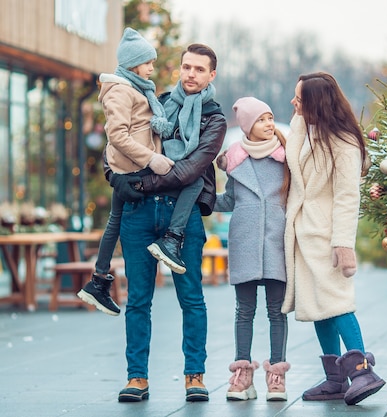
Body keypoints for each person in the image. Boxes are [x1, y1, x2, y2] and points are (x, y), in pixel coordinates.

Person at [109, 43, 227, 403]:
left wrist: (141, 183)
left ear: (211, 75)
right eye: (186, 67)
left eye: (198, 69)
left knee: (191, 298)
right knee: (139, 300)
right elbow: (119, 144)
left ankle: (195, 375)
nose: (190, 74)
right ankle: (137, 378)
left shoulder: (215, 120)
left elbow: (190, 170)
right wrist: (115, 178)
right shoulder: (154, 102)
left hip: (183, 215)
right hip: (140, 214)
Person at [281, 72, 385, 406]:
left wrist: (343, 243)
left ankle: (363, 372)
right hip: (302, 231)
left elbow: (346, 196)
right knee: (317, 305)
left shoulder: (344, 143)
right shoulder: (302, 127)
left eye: (299, 98)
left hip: (326, 234)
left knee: (337, 302)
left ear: (316, 102)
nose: (293, 103)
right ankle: (335, 379)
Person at [77, 27, 177, 316]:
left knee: (115, 222)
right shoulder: (120, 91)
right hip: (132, 169)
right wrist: (152, 160)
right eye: (148, 63)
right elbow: (117, 136)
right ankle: (98, 280)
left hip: (130, 169)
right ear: (134, 63)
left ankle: (98, 280)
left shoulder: (135, 88)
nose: (152, 68)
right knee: (117, 222)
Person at [213, 97, 290, 402]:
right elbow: (229, 201)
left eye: (270, 118)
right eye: (261, 119)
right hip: (245, 239)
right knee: (244, 311)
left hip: (276, 239)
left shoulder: (287, 158)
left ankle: (276, 376)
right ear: (248, 125)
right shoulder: (235, 160)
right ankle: (243, 375)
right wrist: (201, 199)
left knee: (276, 311)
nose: (269, 124)